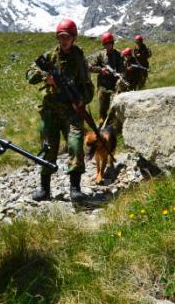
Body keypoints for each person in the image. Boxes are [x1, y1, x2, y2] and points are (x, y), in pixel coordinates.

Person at [26, 18, 94, 202]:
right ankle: (44, 188)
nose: (64, 40)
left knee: (75, 143)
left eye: (68, 37)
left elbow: (89, 87)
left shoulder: (80, 60)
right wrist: (44, 77)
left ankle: (75, 187)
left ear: (74, 38)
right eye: (61, 37)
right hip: (50, 110)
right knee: (48, 147)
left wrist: (80, 100)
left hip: (72, 111)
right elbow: (29, 74)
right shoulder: (49, 57)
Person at [87, 32, 124, 121]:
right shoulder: (100, 55)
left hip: (115, 85)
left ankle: (113, 124)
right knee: (103, 108)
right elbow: (90, 67)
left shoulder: (118, 54)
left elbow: (123, 68)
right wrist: (101, 70)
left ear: (112, 43)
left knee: (115, 106)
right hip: (103, 86)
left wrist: (120, 76)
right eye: (106, 44)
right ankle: (102, 123)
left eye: (109, 44)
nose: (108, 46)